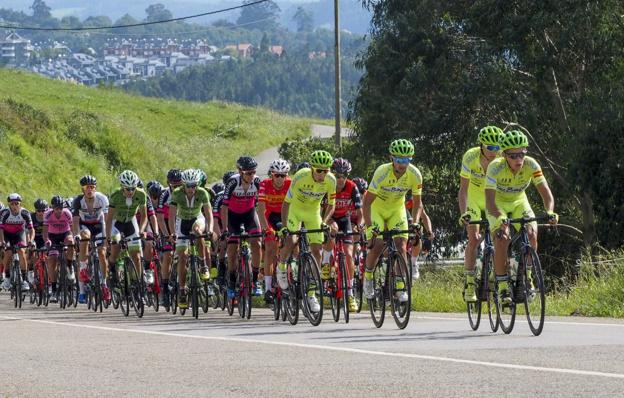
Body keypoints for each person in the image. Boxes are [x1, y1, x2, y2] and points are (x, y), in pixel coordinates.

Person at [485, 130, 558, 303]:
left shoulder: (531, 165)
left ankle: (527, 276)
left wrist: (550, 211)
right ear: (504, 155)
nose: (519, 159)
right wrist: (499, 216)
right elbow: (488, 200)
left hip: (519, 201)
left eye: (522, 154)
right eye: (513, 155)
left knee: (532, 234)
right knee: (502, 238)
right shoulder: (495, 167)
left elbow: (546, 194)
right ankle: (502, 285)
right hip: (497, 203)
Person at [362, 139, 423, 303]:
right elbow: (366, 203)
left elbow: (418, 203)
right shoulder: (382, 172)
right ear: (392, 158)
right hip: (377, 209)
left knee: (402, 245)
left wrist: (416, 222)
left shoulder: (415, 174)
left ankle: (400, 285)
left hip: (397, 209)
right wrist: (369, 227)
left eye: (407, 160)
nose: (403, 164)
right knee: (378, 245)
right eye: (399, 160)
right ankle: (368, 278)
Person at [275, 150, 337, 313]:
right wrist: (284, 226)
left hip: (313, 213)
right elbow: (286, 203)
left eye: (326, 170)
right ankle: (281, 267)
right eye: (319, 171)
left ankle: (311, 294)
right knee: (292, 240)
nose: (323, 174)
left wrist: (324, 222)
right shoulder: (301, 176)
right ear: (312, 168)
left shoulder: (331, 180)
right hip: (295, 210)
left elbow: (331, 204)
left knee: (317, 250)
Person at [458, 125, 503, 302]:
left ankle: (494, 275)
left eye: (498, 147)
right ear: (481, 145)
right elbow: (463, 189)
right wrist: (464, 214)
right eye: (490, 147)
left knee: (500, 237)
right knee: (474, 239)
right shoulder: (470, 156)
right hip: (474, 198)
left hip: (494, 198)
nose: (494, 151)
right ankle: (469, 282)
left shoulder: (502, 159)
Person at [257, 158, 291, 303]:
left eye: (283, 175)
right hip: (269, 216)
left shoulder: (290, 184)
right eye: (277, 175)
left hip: (285, 216)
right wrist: (266, 229)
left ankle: (294, 277)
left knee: (293, 244)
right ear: (271, 175)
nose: (280, 178)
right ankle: (268, 288)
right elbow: (261, 209)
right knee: (270, 248)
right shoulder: (264, 184)